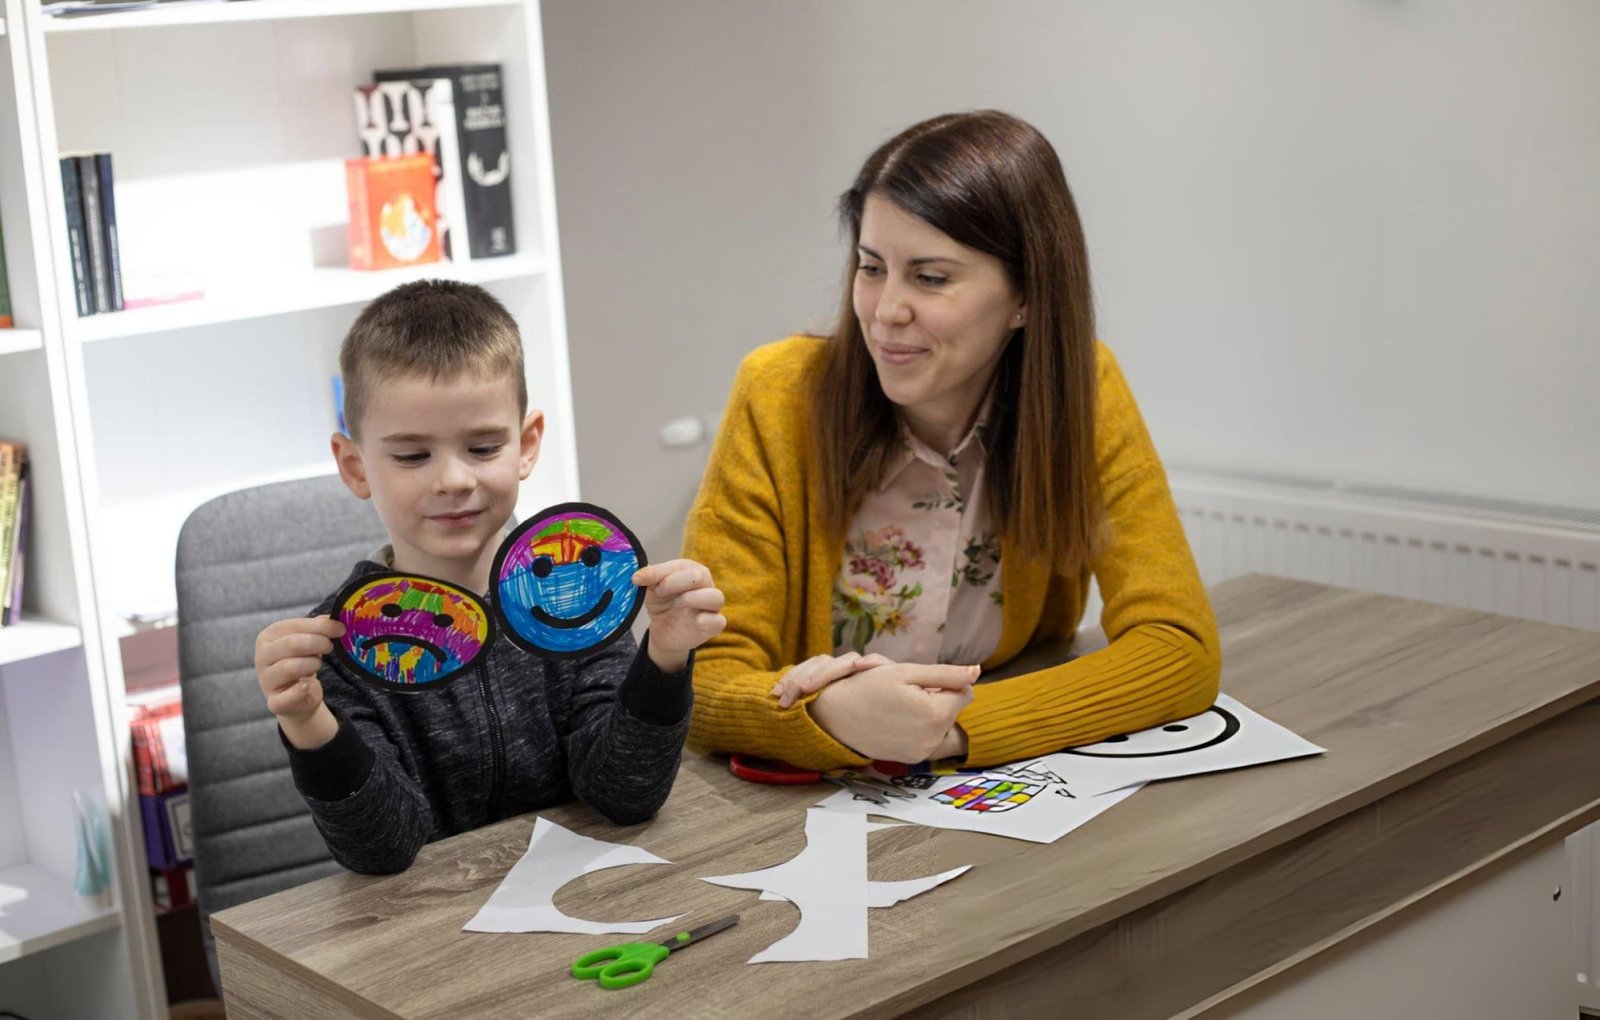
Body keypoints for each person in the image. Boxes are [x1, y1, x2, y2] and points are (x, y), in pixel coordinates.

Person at [684, 111, 1220, 771]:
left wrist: (950, 730)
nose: (885, 311)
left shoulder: (1081, 387)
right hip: (802, 793)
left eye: (931, 278)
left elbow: (1179, 648)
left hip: (985, 780)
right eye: (871, 267)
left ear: (1026, 294)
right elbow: (703, 680)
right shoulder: (777, 394)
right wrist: (824, 715)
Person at [252, 280, 726, 873]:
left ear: (525, 445)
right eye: (412, 455)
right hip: (434, 921)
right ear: (355, 466)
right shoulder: (341, 646)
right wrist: (308, 722)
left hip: (583, 892)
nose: (454, 480)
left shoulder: (574, 598)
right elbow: (384, 850)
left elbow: (624, 794)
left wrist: (664, 660)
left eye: (481, 448)